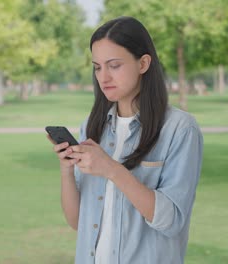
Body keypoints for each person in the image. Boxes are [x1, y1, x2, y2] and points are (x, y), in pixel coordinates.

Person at [47, 16, 203, 264]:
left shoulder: (180, 129)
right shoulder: (92, 127)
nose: (103, 77)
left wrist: (112, 169)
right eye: (97, 67)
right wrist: (67, 169)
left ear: (143, 63)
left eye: (114, 65)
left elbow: (172, 220)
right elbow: (78, 222)